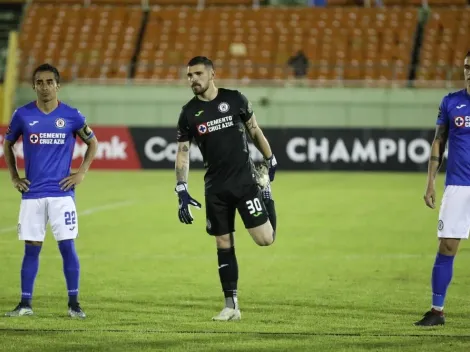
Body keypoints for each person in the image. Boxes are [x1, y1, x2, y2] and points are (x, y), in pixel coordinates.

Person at [174, 56, 278, 321]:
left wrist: (270, 158)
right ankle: (231, 305)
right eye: (189, 75)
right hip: (216, 187)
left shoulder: (235, 100)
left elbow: (254, 130)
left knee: (266, 239)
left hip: (244, 182)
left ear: (212, 74)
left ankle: (265, 193)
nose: (193, 80)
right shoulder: (188, 113)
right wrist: (181, 188)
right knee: (223, 242)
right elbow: (183, 153)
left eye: (197, 74)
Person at [3, 63, 98, 318]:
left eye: (49, 82)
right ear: (33, 86)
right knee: (31, 248)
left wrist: (81, 173)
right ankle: (25, 304)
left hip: (61, 195)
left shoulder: (71, 115)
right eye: (39, 82)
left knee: (67, 247)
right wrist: (14, 177)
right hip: (32, 194)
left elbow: (92, 142)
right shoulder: (22, 115)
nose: (44, 86)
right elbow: (8, 143)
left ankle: (74, 303)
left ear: (58, 85)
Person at [415, 52, 470, 326]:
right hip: (458, 185)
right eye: (467, 67)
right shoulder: (451, 102)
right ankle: (437, 311)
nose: (469, 72)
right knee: (447, 245)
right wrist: (430, 182)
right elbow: (438, 141)